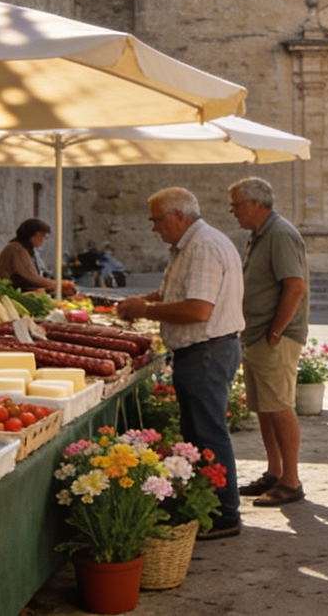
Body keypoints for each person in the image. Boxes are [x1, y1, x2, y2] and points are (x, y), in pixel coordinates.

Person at [116, 188, 245, 538]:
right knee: (199, 433)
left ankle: (224, 516)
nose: (154, 228)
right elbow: (177, 292)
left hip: (206, 352)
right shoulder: (194, 245)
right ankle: (208, 508)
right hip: (205, 351)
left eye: (156, 220)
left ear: (177, 216)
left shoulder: (201, 247)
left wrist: (145, 310)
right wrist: (143, 300)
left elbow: (197, 309)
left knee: (207, 434)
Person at [228, 177, 308, 507]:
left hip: (274, 337)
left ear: (256, 203)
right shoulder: (260, 235)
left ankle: (291, 480)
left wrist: (275, 331)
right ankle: (274, 472)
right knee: (264, 408)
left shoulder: (280, 234)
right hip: (258, 334)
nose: (233, 211)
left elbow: (294, 286)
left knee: (279, 405)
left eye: (236, 205)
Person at [0, 218, 76, 296]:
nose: (43, 239)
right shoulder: (17, 249)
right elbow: (30, 277)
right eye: (41, 235)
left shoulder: (23, 248)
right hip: (7, 292)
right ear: (31, 235)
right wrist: (59, 284)